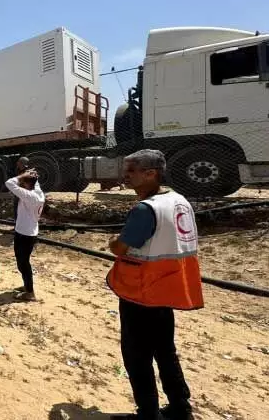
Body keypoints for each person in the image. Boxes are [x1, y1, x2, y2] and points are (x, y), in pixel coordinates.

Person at [107, 150, 202, 420]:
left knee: (137, 357)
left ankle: (148, 413)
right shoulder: (179, 201)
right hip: (167, 291)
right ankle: (181, 408)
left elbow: (121, 247)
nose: (125, 176)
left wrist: (114, 241)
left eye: (131, 171)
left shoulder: (145, 209)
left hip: (140, 293)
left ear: (151, 174)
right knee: (165, 351)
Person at [4, 167, 45, 301]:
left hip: (24, 233)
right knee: (22, 262)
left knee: (23, 264)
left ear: (26, 184)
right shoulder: (38, 192)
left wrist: (22, 176)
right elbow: (35, 183)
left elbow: (9, 183)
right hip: (29, 231)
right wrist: (31, 175)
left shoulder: (29, 196)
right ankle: (27, 286)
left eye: (23, 182)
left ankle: (30, 293)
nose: (21, 184)